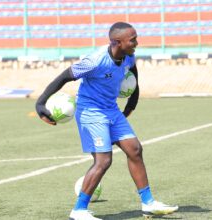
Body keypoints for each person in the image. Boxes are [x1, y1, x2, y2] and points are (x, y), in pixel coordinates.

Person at [36, 22, 178, 220]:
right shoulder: (95, 61)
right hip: (91, 112)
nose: (137, 42)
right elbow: (64, 77)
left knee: (135, 149)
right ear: (117, 42)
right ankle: (79, 210)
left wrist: (131, 104)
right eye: (133, 39)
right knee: (103, 161)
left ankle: (148, 203)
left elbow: (134, 77)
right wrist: (41, 103)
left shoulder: (128, 55)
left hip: (111, 110)